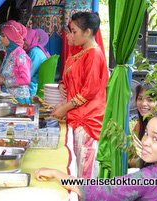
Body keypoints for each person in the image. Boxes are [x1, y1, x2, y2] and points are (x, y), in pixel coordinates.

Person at [35, 108, 157, 200]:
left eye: (155, 138)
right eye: (146, 133)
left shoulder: (151, 177)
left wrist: (58, 174)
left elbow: (103, 190)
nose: (145, 141)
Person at [50, 12, 109, 179]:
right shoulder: (81, 52)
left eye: (74, 31)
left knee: (86, 173)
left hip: (88, 119)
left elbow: (89, 91)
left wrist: (65, 107)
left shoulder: (93, 54)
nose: (70, 35)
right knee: (78, 168)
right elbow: (77, 86)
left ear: (87, 32)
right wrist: (64, 103)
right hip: (78, 116)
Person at [0, 20, 31, 104]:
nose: (0, 38)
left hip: (19, 101)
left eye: (3, 36)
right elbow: (11, 74)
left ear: (12, 37)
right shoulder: (10, 53)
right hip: (9, 100)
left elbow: (25, 79)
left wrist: (4, 82)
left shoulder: (20, 55)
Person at [129, 83, 157, 167]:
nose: (143, 104)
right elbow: (131, 159)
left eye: (149, 100)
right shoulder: (138, 126)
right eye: (140, 99)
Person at [24, 28, 49, 97]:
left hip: (33, 88)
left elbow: (28, 75)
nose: (22, 42)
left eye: (25, 40)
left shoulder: (35, 52)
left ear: (31, 39)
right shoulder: (35, 50)